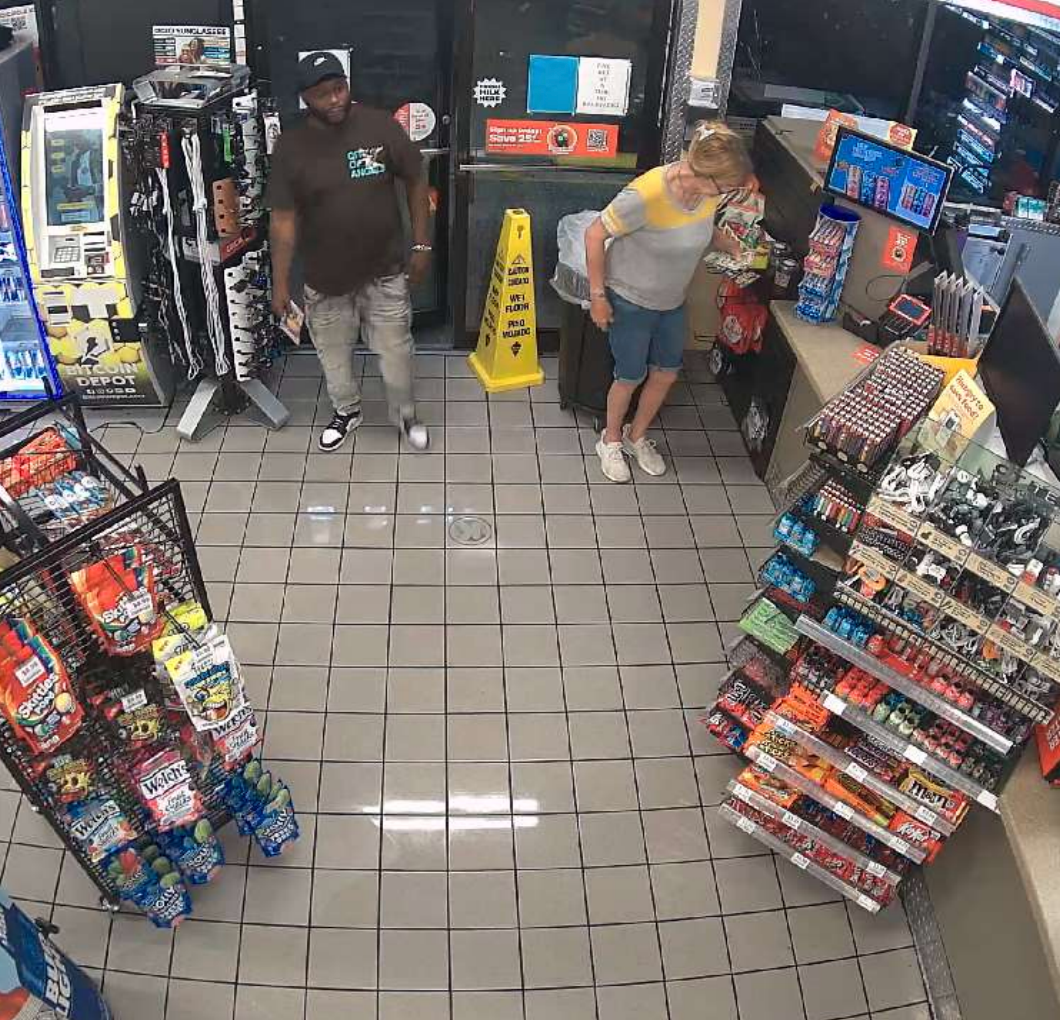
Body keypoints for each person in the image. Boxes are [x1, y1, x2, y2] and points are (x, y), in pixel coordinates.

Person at [268, 51, 433, 452]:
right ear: (305, 98)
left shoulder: (380, 126)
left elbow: (416, 178)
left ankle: (405, 415)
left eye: (339, 88)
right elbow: (283, 220)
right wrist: (280, 283)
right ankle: (347, 411)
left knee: (397, 354)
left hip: (384, 270)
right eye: (322, 94)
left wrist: (421, 243)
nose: (334, 99)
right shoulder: (291, 147)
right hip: (325, 277)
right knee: (333, 356)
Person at [585, 121, 755, 482]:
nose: (726, 194)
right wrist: (598, 296)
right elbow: (594, 234)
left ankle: (635, 436)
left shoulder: (707, 195)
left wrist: (730, 244)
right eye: (725, 187)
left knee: (666, 372)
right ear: (703, 174)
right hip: (630, 299)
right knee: (630, 375)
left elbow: (702, 227)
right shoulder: (646, 195)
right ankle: (610, 440)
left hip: (671, 300)